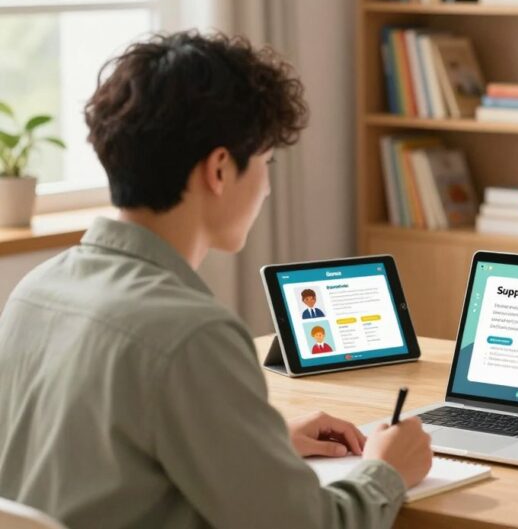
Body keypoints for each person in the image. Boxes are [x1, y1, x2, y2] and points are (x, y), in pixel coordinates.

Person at [0, 31, 432, 529]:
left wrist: (255, 444)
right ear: (220, 169)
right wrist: (386, 471)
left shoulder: (36, 291)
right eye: (266, 164)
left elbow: (91, 462)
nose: (268, 189)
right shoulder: (190, 334)